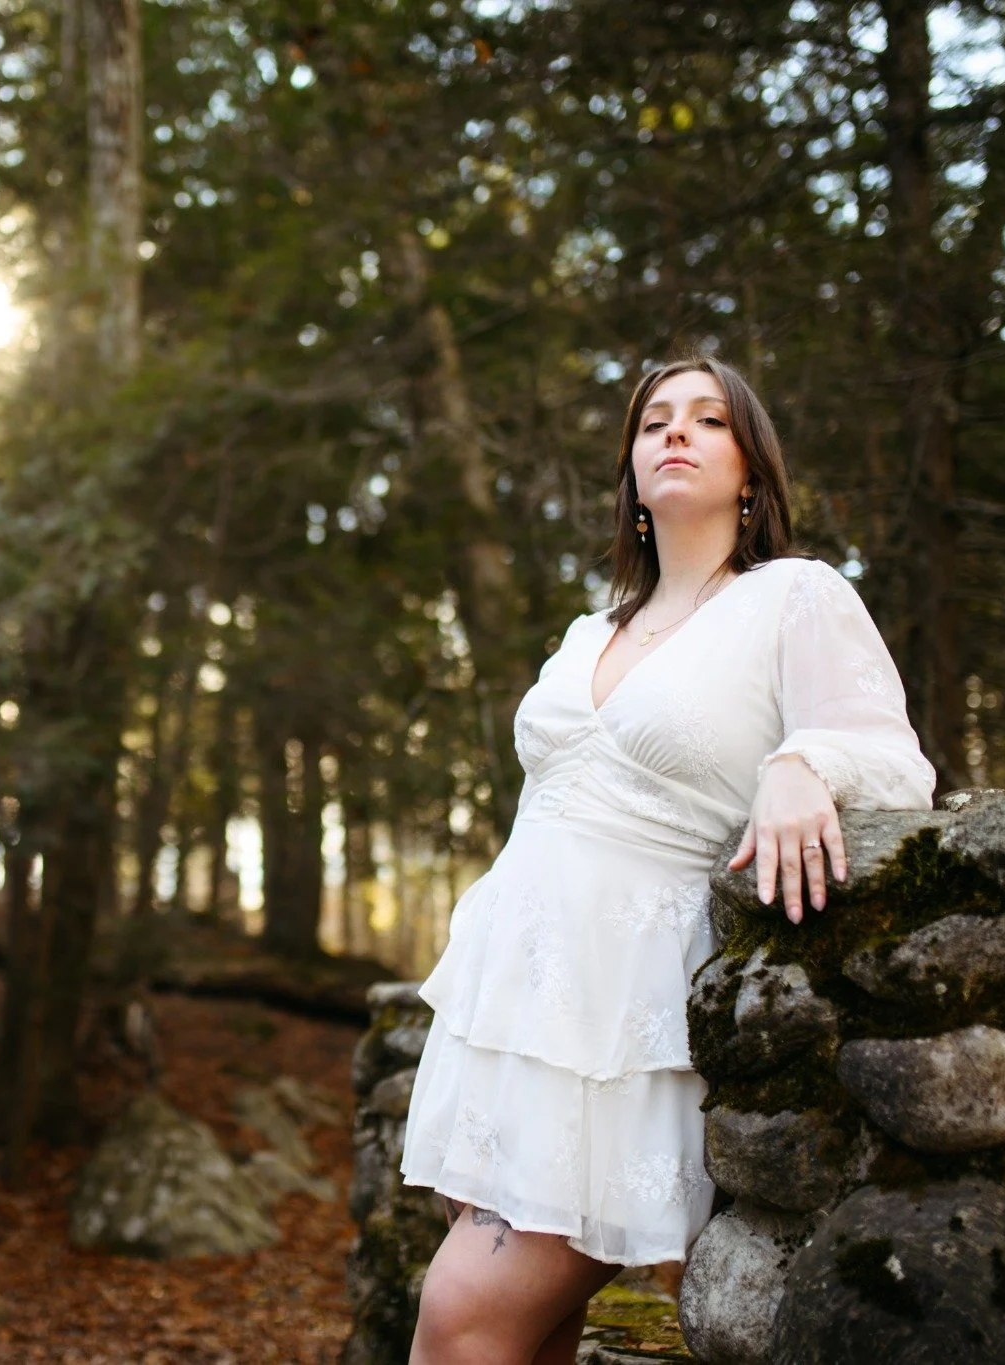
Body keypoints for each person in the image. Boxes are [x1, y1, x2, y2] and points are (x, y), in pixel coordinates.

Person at [400, 357, 935, 1364]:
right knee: (529, 1330)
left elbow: (893, 762)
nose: (674, 434)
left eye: (706, 420)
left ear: (750, 472)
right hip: (514, 1009)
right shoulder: (584, 632)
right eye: (653, 422)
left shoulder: (791, 597)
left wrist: (798, 760)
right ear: (631, 473)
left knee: (460, 1318)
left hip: (629, 1017)